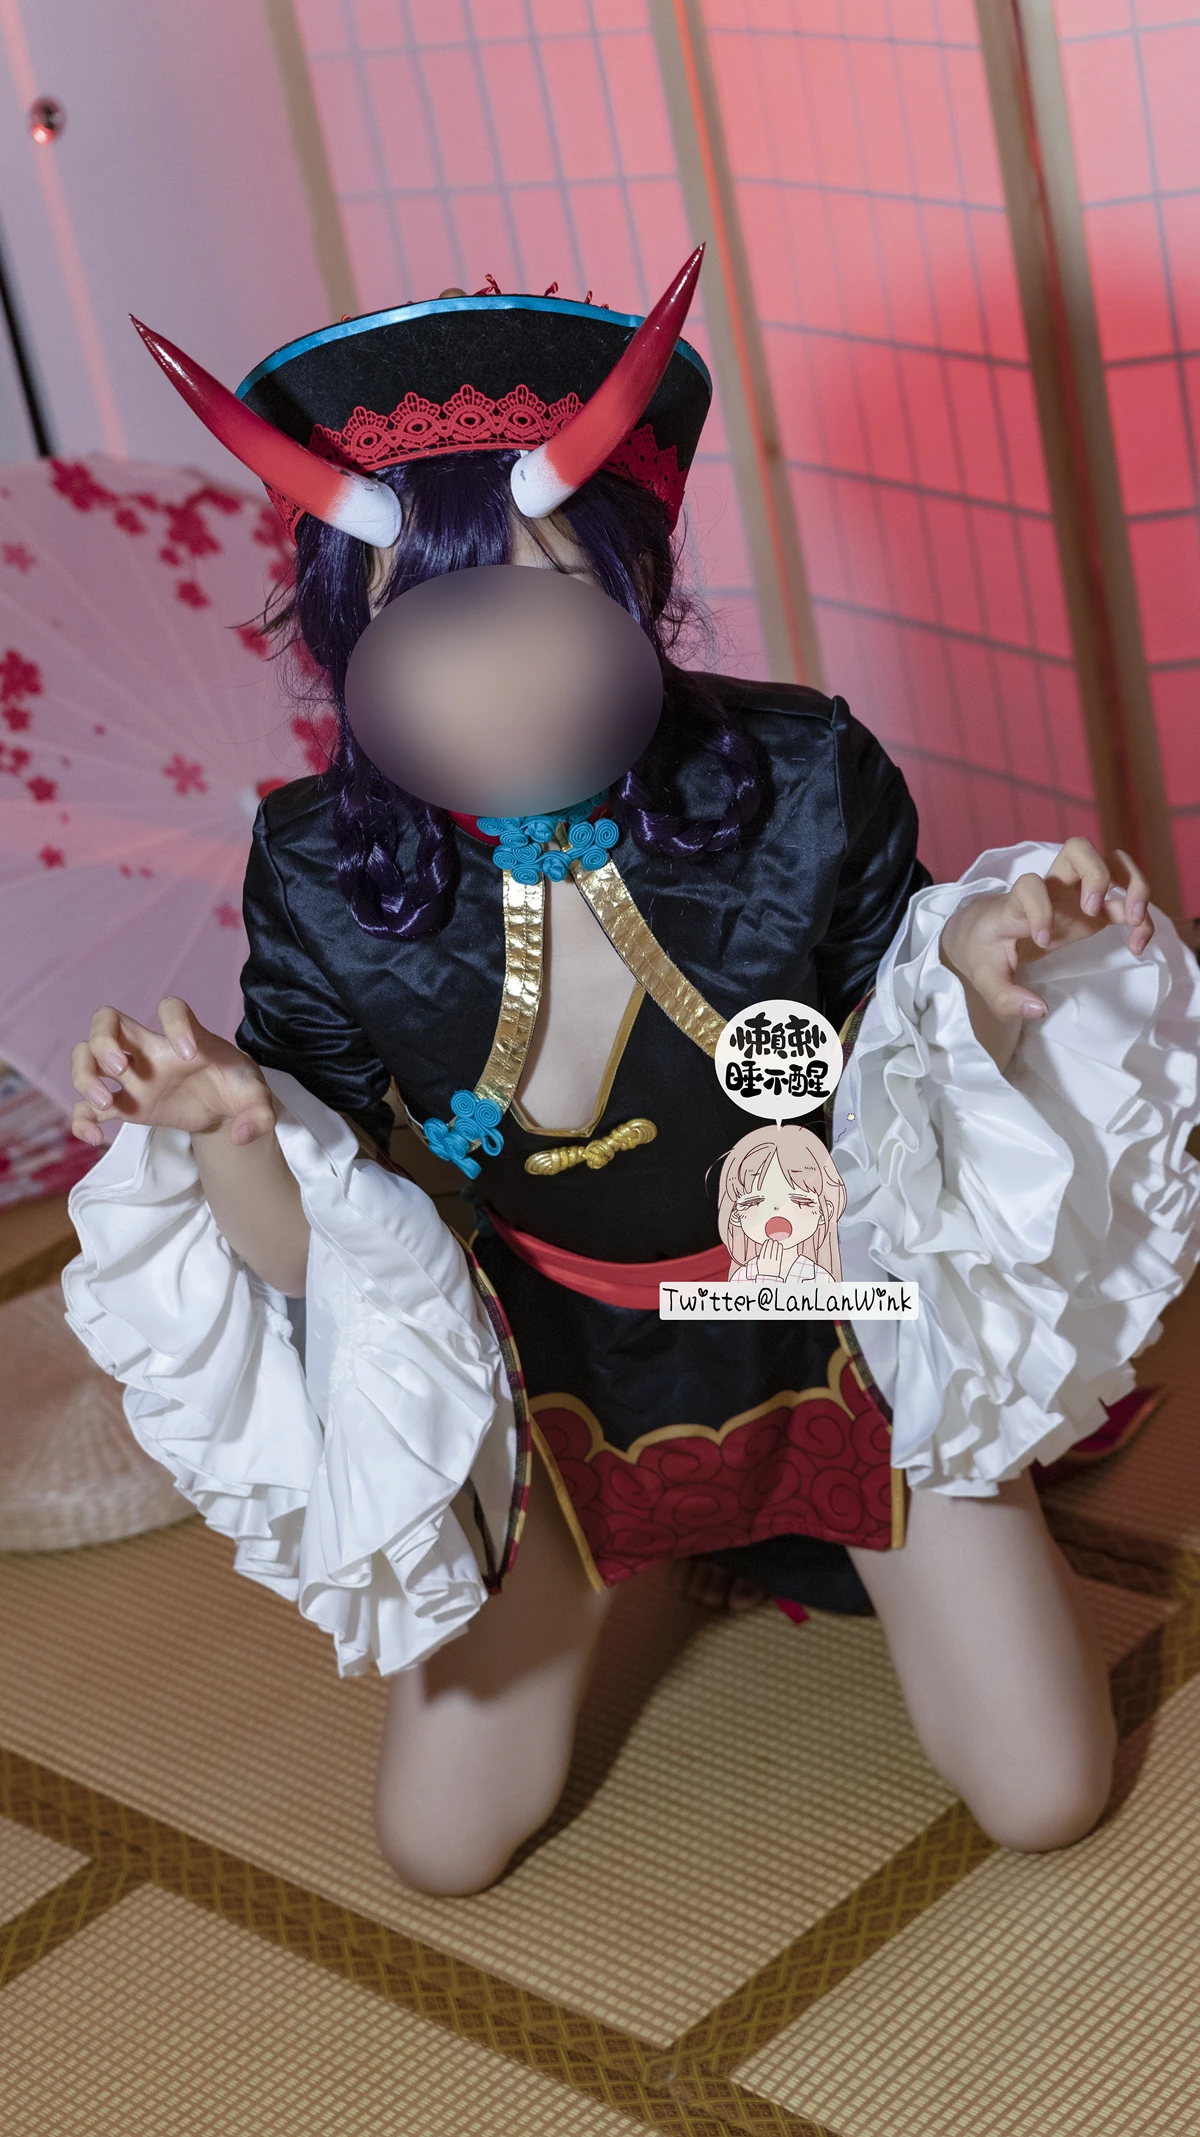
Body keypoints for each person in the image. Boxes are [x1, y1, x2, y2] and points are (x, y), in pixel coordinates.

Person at [63, 260, 1200, 1896]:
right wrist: (233, 1131)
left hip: (833, 1308)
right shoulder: (315, 868)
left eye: (550, 596)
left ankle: (755, 1531)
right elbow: (314, 1254)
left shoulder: (803, 773)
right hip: (557, 1363)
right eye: (435, 624)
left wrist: (980, 963)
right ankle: (660, 1549)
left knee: (1046, 1794)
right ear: (348, 641)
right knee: (440, 1848)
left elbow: (911, 1092)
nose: (502, 672)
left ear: (634, 588)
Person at [717, 1123, 846, 1287]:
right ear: (735, 1214)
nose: (776, 1211)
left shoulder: (819, 1275)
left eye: (801, 1201)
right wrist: (767, 1275)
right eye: (754, 1202)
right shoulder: (742, 1275)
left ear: (824, 1210)